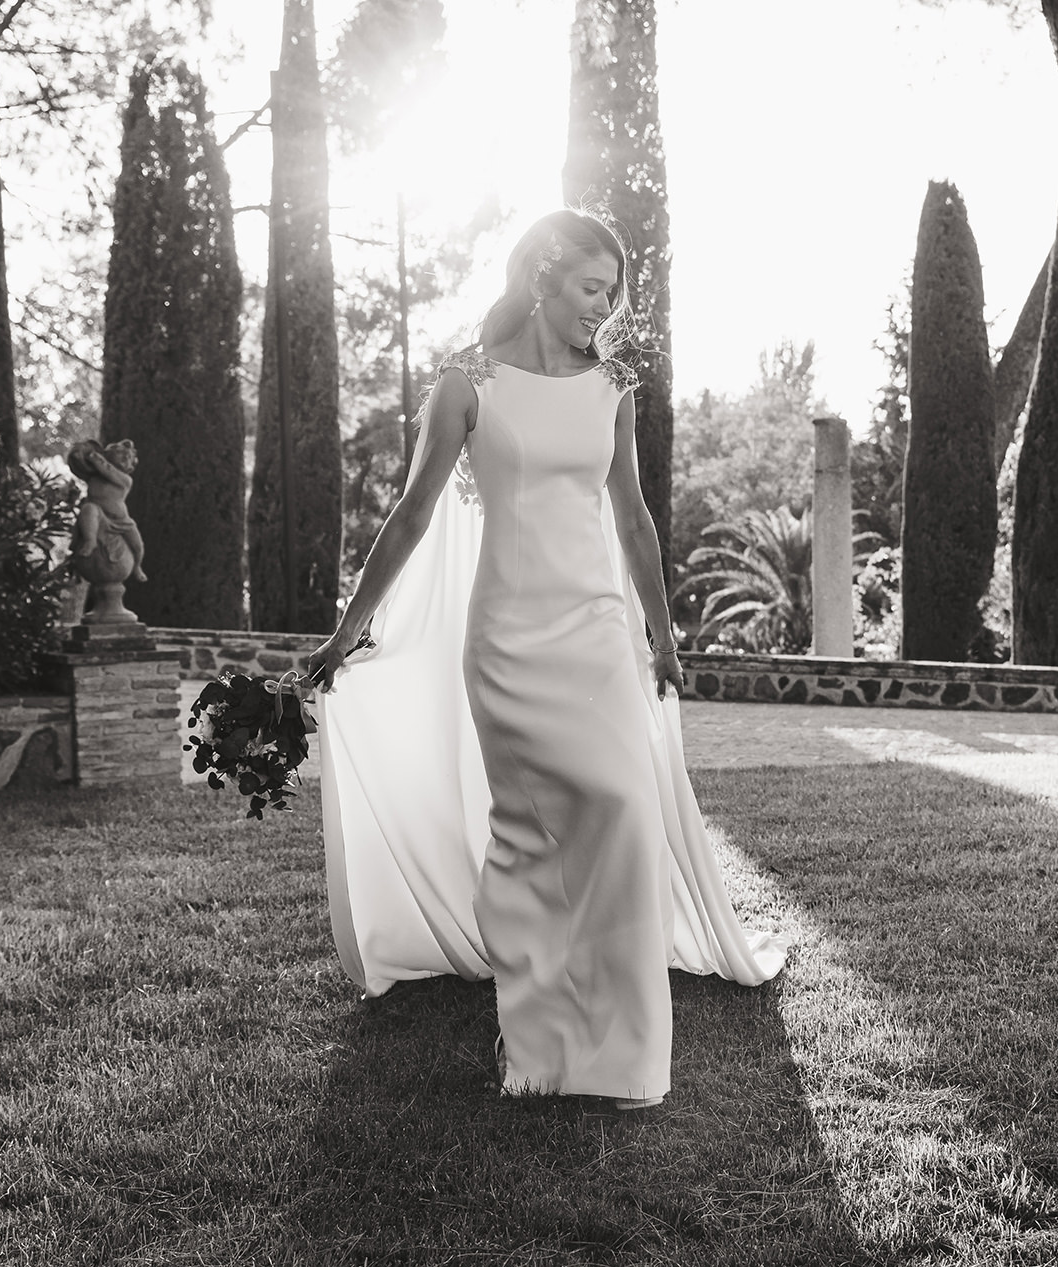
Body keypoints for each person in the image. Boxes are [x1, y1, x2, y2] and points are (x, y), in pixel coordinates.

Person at [305, 209, 785, 1112]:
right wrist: (345, 631)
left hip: (597, 633)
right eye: (591, 290)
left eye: (613, 295)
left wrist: (664, 634)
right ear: (543, 279)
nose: (602, 310)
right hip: (509, 641)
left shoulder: (613, 383)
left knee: (622, 815)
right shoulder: (466, 383)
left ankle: (624, 1051)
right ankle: (534, 1037)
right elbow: (409, 518)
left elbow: (635, 517)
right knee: (532, 834)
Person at [67, 439, 148, 583]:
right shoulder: (94, 476)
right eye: (119, 453)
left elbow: (107, 470)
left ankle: (137, 566)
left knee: (138, 545)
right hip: (98, 514)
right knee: (88, 509)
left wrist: (94, 456)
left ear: (130, 468)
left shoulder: (125, 479)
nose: (124, 458)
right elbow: (79, 467)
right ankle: (90, 540)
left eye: (128, 458)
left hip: (121, 520)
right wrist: (78, 454)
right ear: (106, 454)